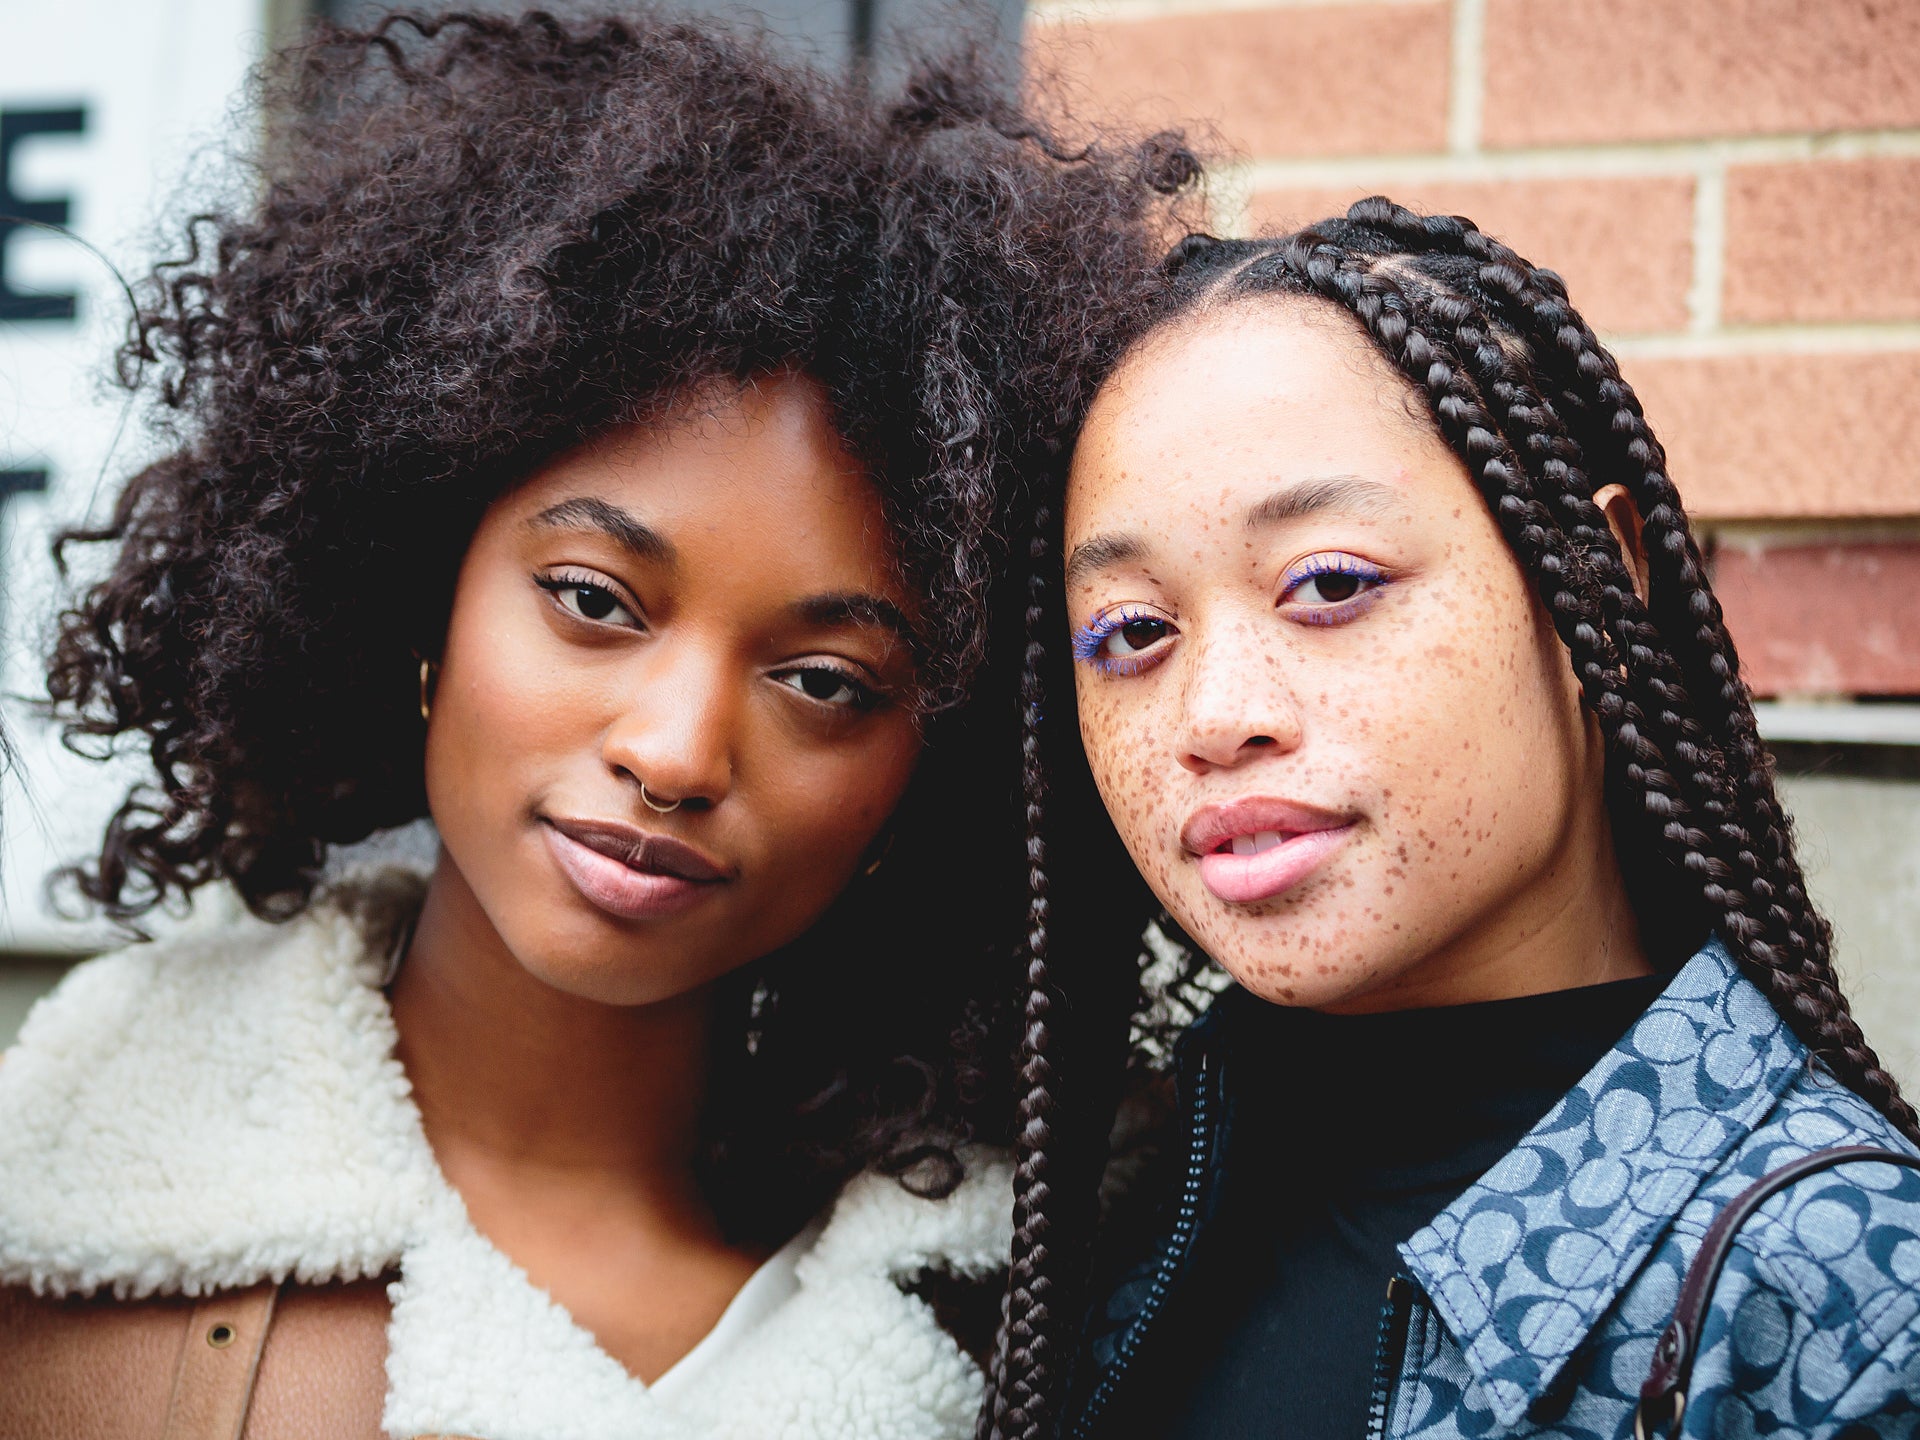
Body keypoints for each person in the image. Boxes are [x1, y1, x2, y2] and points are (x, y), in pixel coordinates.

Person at [0, 11, 1196, 1438]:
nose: (677, 752)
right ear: (417, 597)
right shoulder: (49, 1207)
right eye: (593, 600)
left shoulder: (1082, 1294)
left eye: (826, 681)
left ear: (929, 769)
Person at [973, 200, 1920, 1440]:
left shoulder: (1839, 1298)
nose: (1214, 715)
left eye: (1329, 584)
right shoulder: (1115, 1191)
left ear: (1593, 572)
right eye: (1134, 631)